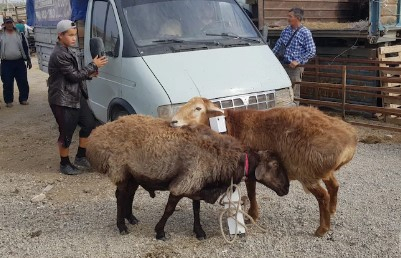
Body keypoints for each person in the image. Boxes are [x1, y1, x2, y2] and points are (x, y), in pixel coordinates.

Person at [48, 20, 108, 175]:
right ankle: (64, 164)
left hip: (75, 95)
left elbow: (72, 75)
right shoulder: (59, 54)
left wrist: (89, 74)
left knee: (89, 124)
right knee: (66, 133)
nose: (74, 38)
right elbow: (74, 76)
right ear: (60, 36)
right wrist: (93, 65)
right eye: (70, 35)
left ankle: (81, 156)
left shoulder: (67, 50)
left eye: (75, 35)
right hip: (63, 100)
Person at [272, 8, 316, 103]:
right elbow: (278, 45)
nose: (288, 18)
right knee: (282, 91)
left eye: (290, 16)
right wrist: (271, 58)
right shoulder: (286, 30)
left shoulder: (305, 32)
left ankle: (294, 113)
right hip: (283, 65)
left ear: (297, 18)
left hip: (294, 68)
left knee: (294, 93)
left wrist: (298, 61)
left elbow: (311, 51)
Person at [0, 16, 32, 108]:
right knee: (7, 82)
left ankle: (23, 99)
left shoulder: (19, 34)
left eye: (10, 22)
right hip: (6, 63)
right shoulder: (1, 34)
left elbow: (26, 47)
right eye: (7, 23)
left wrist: (29, 60)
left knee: (23, 81)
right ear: (4, 24)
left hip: (19, 62)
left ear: (13, 23)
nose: (9, 24)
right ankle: (9, 101)